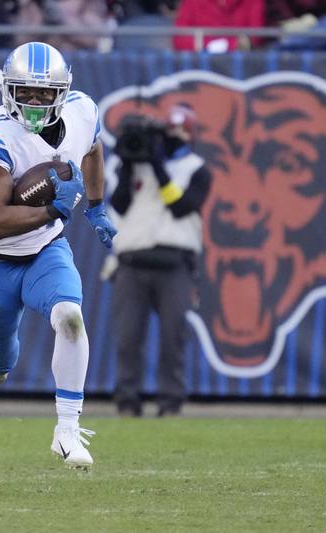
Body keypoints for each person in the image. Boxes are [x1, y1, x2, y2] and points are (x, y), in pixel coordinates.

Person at [0, 42, 116, 468]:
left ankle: (67, 431)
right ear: (7, 89)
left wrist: (95, 207)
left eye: (44, 93)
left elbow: (92, 149)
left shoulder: (81, 111)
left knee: (70, 318)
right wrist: (55, 208)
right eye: (25, 92)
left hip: (45, 250)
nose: (35, 102)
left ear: (63, 91)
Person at [107, 105, 212, 417]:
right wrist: (128, 163)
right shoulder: (137, 163)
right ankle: (127, 402)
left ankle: (170, 402)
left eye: (180, 131)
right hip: (132, 261)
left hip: (174, 263)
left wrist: (158, 166)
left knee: (172, 337)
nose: (172, 137)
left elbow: (180, 207)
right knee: (127, 337)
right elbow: (120, 204)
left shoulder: (196, 168)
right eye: (169, 131)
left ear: (190, 136)